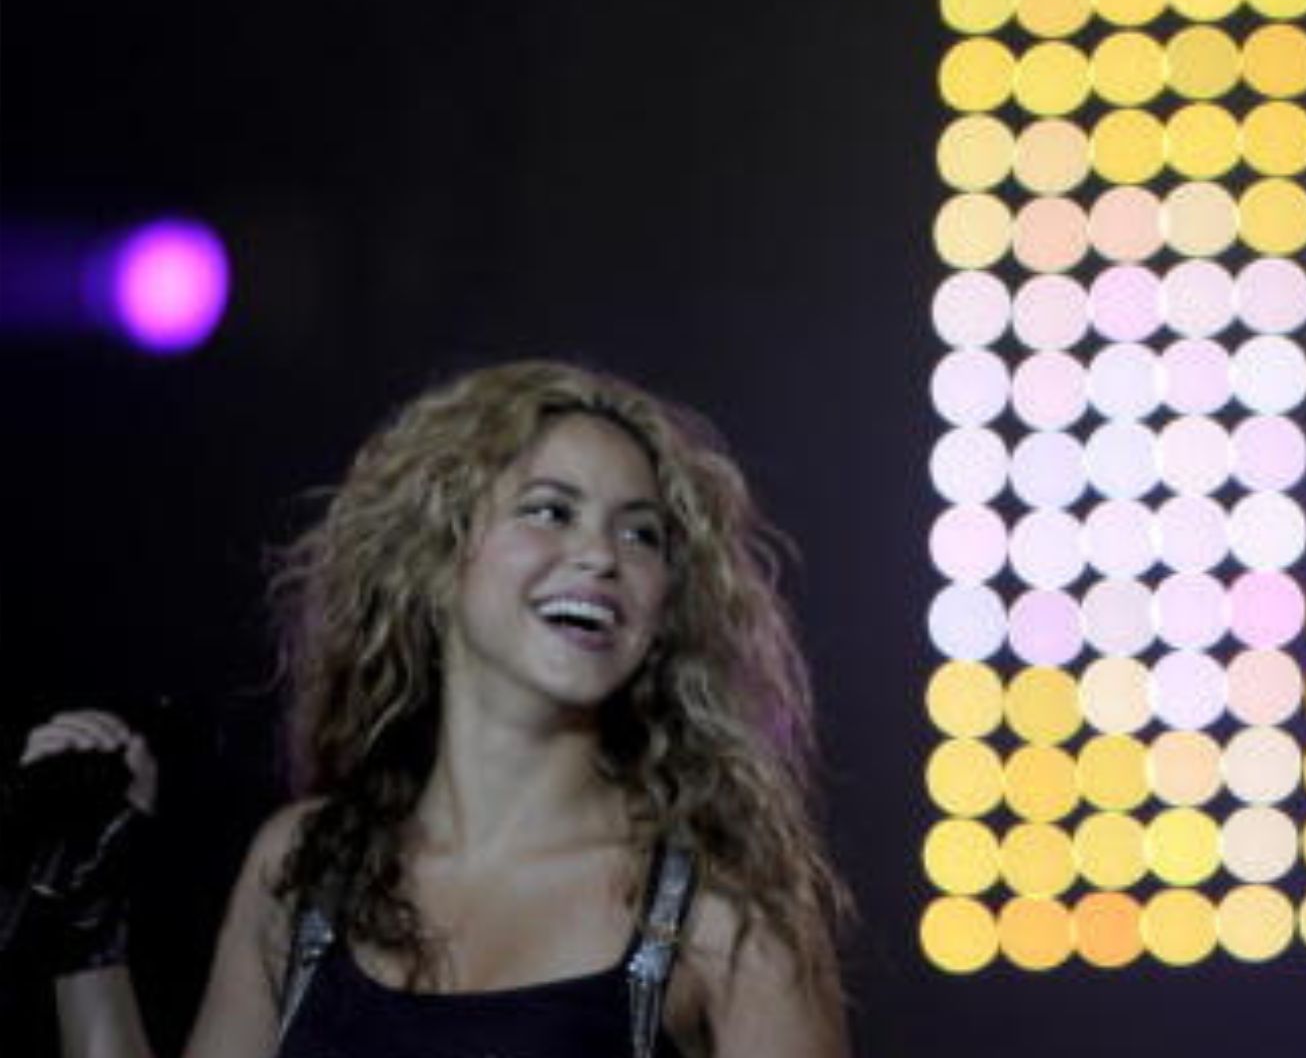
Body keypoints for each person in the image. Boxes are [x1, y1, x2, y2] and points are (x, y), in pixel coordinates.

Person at [21, 360, 850, 1057]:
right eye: (550, 512)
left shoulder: (721, 906)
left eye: (642, 535)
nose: (600, 556)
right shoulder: (306, 868)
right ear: (437, 552)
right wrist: (88, 940)